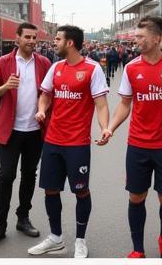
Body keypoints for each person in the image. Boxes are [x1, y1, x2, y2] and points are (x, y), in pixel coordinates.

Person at [100, 15, 162, 259]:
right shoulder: (132, 67)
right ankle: (138, 248)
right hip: (138, 143)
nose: (136, 40)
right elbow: (125, 104)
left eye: (140, 37)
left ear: (157, 38)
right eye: (135, 36)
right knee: (136, 196)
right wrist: (110, 128)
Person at [27, 25, 110, 259]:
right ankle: (56, 238)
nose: (54, 42)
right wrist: (42, 110)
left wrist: (105, 128)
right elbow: (45, 95)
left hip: (77, 144)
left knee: (81, 192)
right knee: (51, 190)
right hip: (53, 141)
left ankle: (80, 241)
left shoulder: (92, 69)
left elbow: (101, 104)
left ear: (70, 43)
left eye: (57, 39)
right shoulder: (55, 67)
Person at [0, 22, 52, 251]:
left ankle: (23, 218)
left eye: (35, 38)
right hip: (11, 131)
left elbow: (50, 94)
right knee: (6, 176)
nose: (32, 41)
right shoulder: (3, 62)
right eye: (28, 37)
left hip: (35, 130)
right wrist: (5, 87)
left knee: (29, 174)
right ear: (17, 38)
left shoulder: (43, 63)